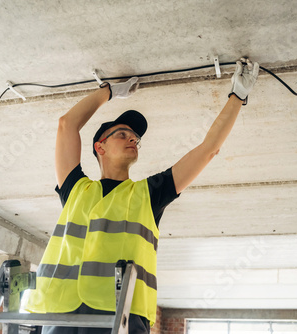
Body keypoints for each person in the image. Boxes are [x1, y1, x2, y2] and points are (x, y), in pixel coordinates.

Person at [25, 58, 259, 334]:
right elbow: (67, 124)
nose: (133, 140)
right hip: (59, 312)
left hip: (123, 316)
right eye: (123, 134)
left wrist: (238, 96)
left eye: (135, 138)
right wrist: (110, 91)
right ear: (100, 147)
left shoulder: (148, 193)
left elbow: (208, 149)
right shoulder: (75, 188)